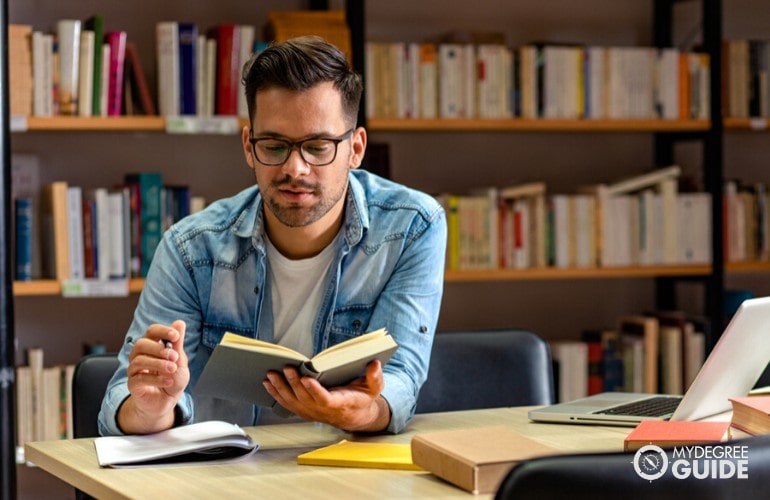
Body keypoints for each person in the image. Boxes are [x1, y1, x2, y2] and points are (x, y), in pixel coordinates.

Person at [98, 36, 447, 436]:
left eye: (317, 147)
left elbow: (400, 379)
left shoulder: (412, 227)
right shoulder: (190, 249)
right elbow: (120, 407)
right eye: (275, 145)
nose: (295, 168)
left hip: (352, 469)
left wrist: (355, 412)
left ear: (356, 148)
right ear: (249, 146)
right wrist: (153, 409)